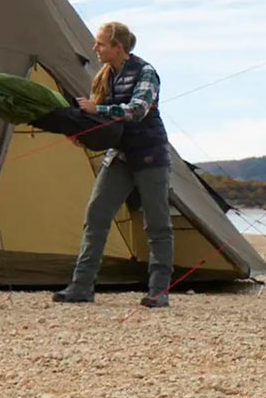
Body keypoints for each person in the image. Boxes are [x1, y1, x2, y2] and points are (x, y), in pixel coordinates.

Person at [52, 22, 174, 308]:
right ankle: (81, 287)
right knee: (96, 215)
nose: (95, 48)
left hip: (149, 155)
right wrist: (82, 136)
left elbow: (137, 110)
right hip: (119, 155)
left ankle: (159, 292)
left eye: (101, 44)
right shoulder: (105, 75)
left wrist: (98, 109)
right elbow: (101, 124)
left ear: (118, 47)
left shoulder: (146, 72)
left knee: (157, 224)